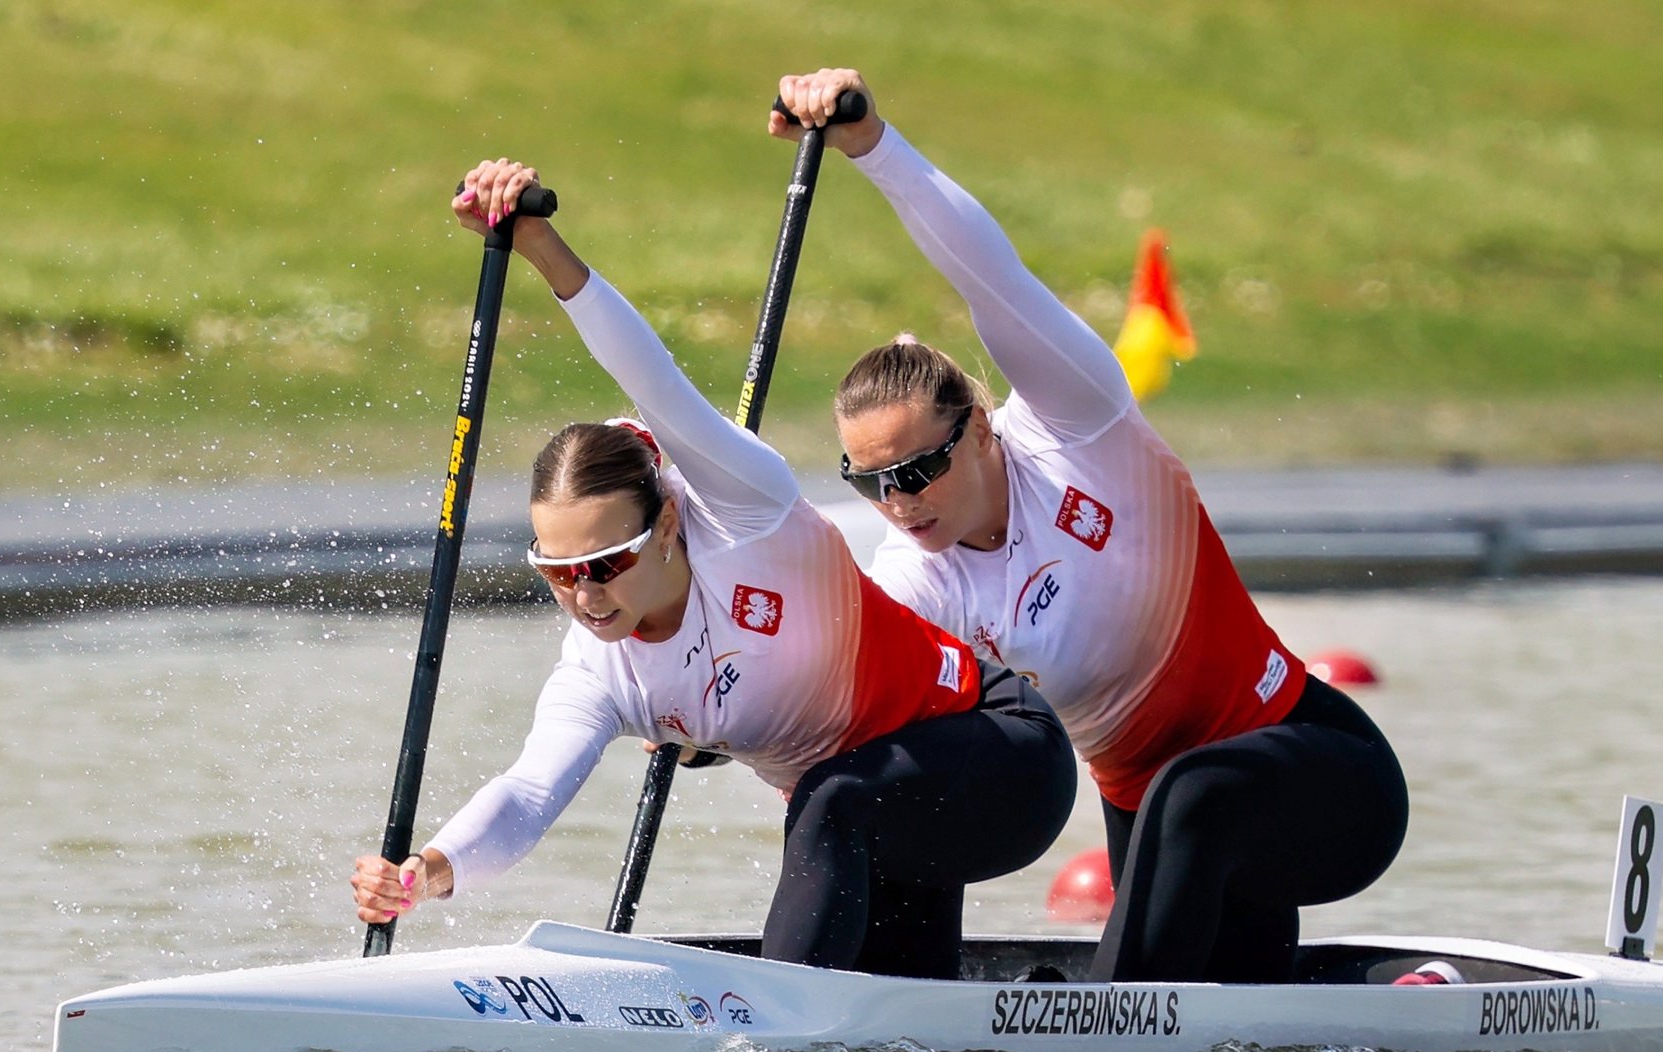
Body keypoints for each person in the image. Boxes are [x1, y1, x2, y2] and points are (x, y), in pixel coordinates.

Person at [350, 153, 1076, 980]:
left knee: (830, 800)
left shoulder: (742, 507)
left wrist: (540, 246)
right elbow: (527, 794)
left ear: (665, 525)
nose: (584, 595)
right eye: (556, 572)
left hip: (1001, 756)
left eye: (606, 560)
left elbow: (649, 378)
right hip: (888, 816)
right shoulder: (599, 674)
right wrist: (427, 873)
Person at [772, 69, 1408, 985]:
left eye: (916, 470)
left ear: (980, 428)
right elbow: (832, 691)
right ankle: (898, 995)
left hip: (1322, 781)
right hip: (1162, 838)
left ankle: (1099, 1014)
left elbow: (987, 275)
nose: (899, 501)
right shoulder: (919, 581)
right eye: (869, 483)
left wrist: (873, 147)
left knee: (1191, 789)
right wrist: (710, 718)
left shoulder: (1081, 426)